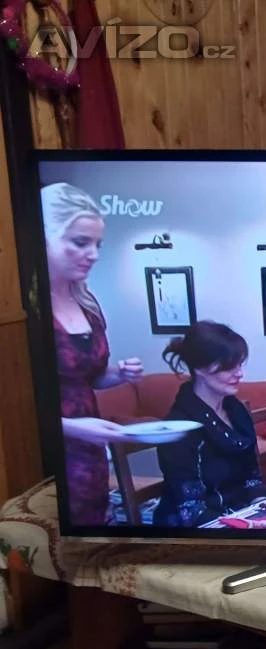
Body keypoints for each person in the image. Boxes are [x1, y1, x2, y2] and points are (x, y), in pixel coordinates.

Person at [41, 182, 144, 527]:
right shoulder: (23, 312)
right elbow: (14, 412)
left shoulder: (86, 303)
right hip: (46, 455)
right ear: (43, 237)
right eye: (80, 242)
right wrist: (70, 428)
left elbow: (91, 379)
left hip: (90, 451)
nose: (93, 254)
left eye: (97, 244)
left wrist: (120, 373)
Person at [153, 321, 266, 527]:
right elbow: (191, 510)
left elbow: (252, 477)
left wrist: (262, 510)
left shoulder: (236, 411)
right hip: (199, 527)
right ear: (200, 368)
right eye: (228, 367)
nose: (239, 373)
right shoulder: (179, 428)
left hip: (241, 514)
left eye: (240, 364)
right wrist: (245, 525)